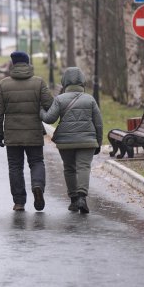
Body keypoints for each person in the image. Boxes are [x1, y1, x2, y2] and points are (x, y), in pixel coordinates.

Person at [0, 51, 53, 212]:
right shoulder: (38, 83)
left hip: (12, 135)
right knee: (36, 162)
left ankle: (19, 202)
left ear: (13, 64)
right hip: (33, 133)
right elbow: (50, 105)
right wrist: (40, 111)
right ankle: (38, 186)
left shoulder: (4, 84)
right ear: (27, 64)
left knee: (15, 166)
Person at [40, 67, 103, 214]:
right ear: (82, 81)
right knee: (83, 167)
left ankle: (74, 200)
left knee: (69, 168)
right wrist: (98, 142)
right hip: (87, 141)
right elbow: (98, 123)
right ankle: (82, 197)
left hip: (66, 141)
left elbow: (50, 118)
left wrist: (40, 111)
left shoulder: (60, 99)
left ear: (65, 82)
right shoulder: (90, 99)